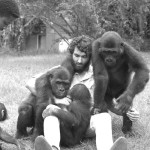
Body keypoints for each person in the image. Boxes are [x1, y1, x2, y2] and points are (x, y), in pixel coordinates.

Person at [26, 36, 139, 150]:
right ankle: (52, 147)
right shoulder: (60, 71)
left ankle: (107, 148)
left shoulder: (98, 75)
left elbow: (110, 103)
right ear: (71, 54)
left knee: (104, 117)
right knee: (50, 117)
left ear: (90, 57)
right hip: (63, 122)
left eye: (84, 57)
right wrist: (55, 100)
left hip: (86, 123)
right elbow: (30, 83)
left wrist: (127, 112)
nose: (79, 60)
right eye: (76, 55)